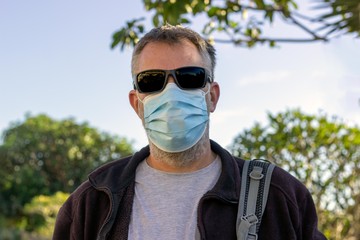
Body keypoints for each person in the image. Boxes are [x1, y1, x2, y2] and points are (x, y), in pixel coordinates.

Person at [53, 24, 327, 240]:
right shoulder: (90, 203)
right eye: (152, 81)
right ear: (137, 103)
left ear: (212, 97)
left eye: (190, 77)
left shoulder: (279, 197)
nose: (171, 93)